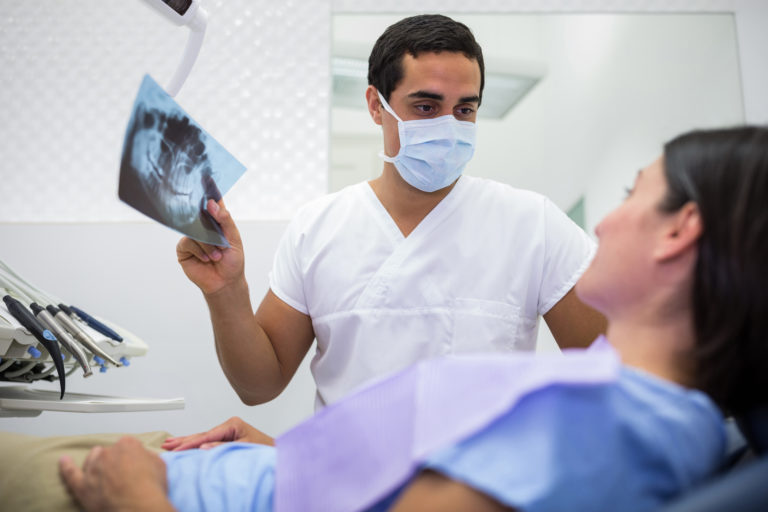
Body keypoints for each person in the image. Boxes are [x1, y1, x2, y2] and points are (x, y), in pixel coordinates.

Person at [2, 125, 766, 511]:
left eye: (633, 193)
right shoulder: (622, 401)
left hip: (171, 492)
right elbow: (275, 386)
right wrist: (314, 452)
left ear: (680, 230)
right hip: (270, 470)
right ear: (379, 106)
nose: (600, 223)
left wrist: (143, 501)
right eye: (428, 106)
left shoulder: (605, 419)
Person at [175, 14, 606, 409]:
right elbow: (258, 386)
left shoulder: (533, 225)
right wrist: (226, 292)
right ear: (375, 105)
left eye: (465, 110)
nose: (449, 126)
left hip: (477, 489)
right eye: (425, 107)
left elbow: (614, 374)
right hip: (345, 485)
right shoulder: (318, 228)